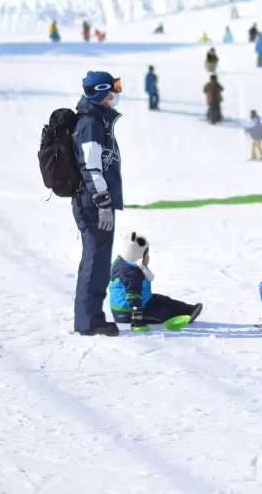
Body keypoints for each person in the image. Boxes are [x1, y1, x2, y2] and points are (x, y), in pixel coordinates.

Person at [71, 70, 124, 335]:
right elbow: (90, 166)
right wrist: (103, 200)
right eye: (115, 86)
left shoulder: (96, 120)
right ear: (103, 91)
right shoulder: (90, 123)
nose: (118, 92)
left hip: (94, 201)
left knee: (98, 259)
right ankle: (89, 320)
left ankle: (90, 317)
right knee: (95, 260)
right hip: (93, 203)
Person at [109, 232, 202, 331]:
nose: (148, 257)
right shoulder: (130, 274)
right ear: (138, 255)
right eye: (146, 254)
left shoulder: (128, 263)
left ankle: (189, 310)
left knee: (164, 300)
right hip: (127, 312)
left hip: (143, 301)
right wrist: (137, 319)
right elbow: (133, 297)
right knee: (162, 311)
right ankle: (171, 317)